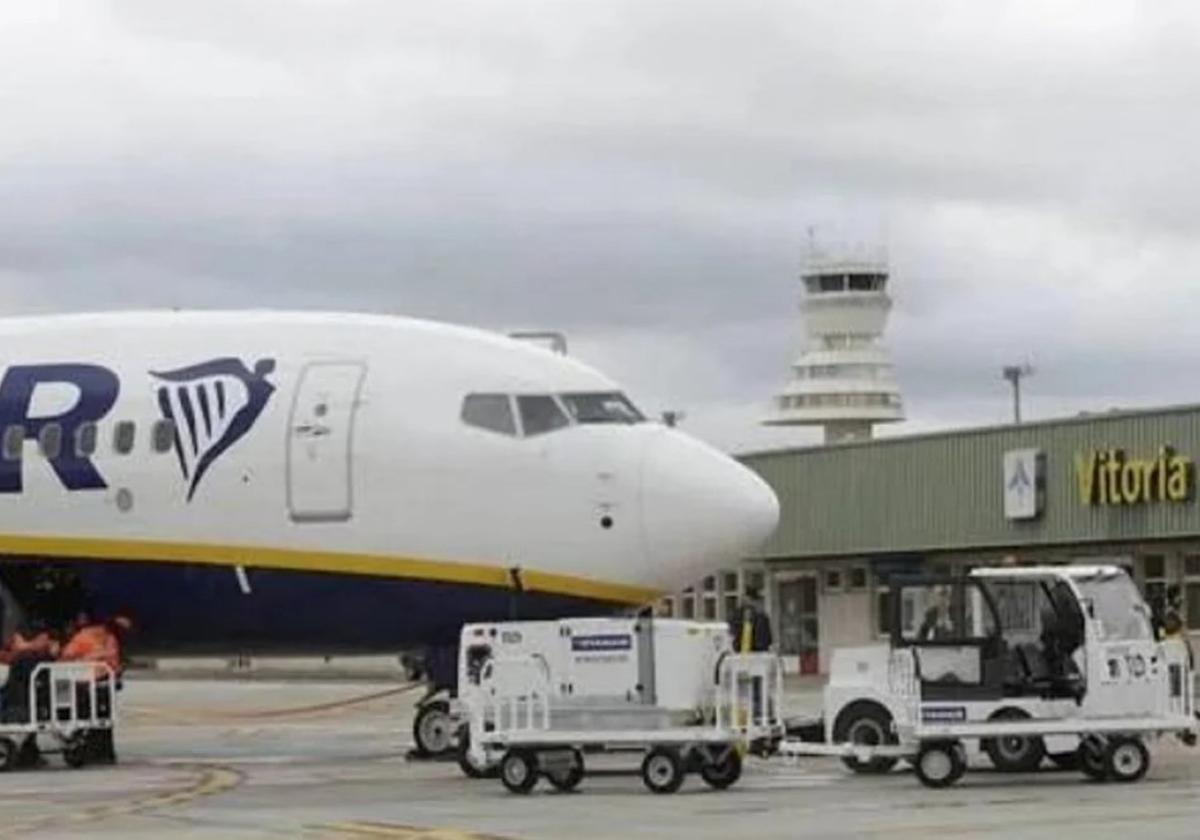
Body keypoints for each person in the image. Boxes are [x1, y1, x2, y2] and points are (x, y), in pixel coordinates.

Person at [60, 612, 132, 764]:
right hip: (83, 683)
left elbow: (115, 663)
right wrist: (92, 657)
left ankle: (103, 751)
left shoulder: (110, 640)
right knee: (92, 711)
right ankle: (93, 748)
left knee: (103, 715)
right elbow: (66, 656)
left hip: (102, 682)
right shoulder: (85, 638)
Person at [729, 588, 773, 654]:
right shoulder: (761, 616)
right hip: (754, 652)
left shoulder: (760, 617)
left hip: (746, 652)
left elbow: (732, 634)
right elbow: (768, 639)